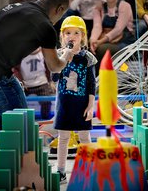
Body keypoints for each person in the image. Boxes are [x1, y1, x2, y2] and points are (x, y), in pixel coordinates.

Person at [0, 0, 70, 128]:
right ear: (59, 9)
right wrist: (67, 55)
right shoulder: (44, 25)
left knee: (12, 123)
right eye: (62, 14)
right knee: (20, 126)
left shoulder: (15, 7)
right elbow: (54, 66)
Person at [53, 16, 96, 183]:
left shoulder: (88, 58)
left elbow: (92, 84)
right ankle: (61, 170)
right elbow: (54, 77)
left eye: (76, 33)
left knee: (84, 137)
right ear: (62, 36)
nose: (72, 36)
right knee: (63, 138)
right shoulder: (58, 55)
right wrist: (64, 58)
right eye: (68, 33)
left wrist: (90, 106)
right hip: (64, 104)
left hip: (82, 103)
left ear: (82, 36)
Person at [90, 0, 135, 75]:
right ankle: (95, 80)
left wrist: (100, 42)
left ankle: (98, 79)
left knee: (101, 50)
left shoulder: (125, 6)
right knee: (90, 51)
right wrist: (93, 40)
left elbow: (118, 29)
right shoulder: (98, 8)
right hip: (106, 41)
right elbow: (97, 26)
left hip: (124, 41)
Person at [12, 48, 56, 120]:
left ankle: (44, 121)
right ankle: (20, 121)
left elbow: (48, 66)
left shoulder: (43, 51)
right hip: (25, 84)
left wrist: (50, 81)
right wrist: (21, 81)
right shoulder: (18, 53)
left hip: (42, 82)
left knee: (46, 102)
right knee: (17, 102)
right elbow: (15, 69)